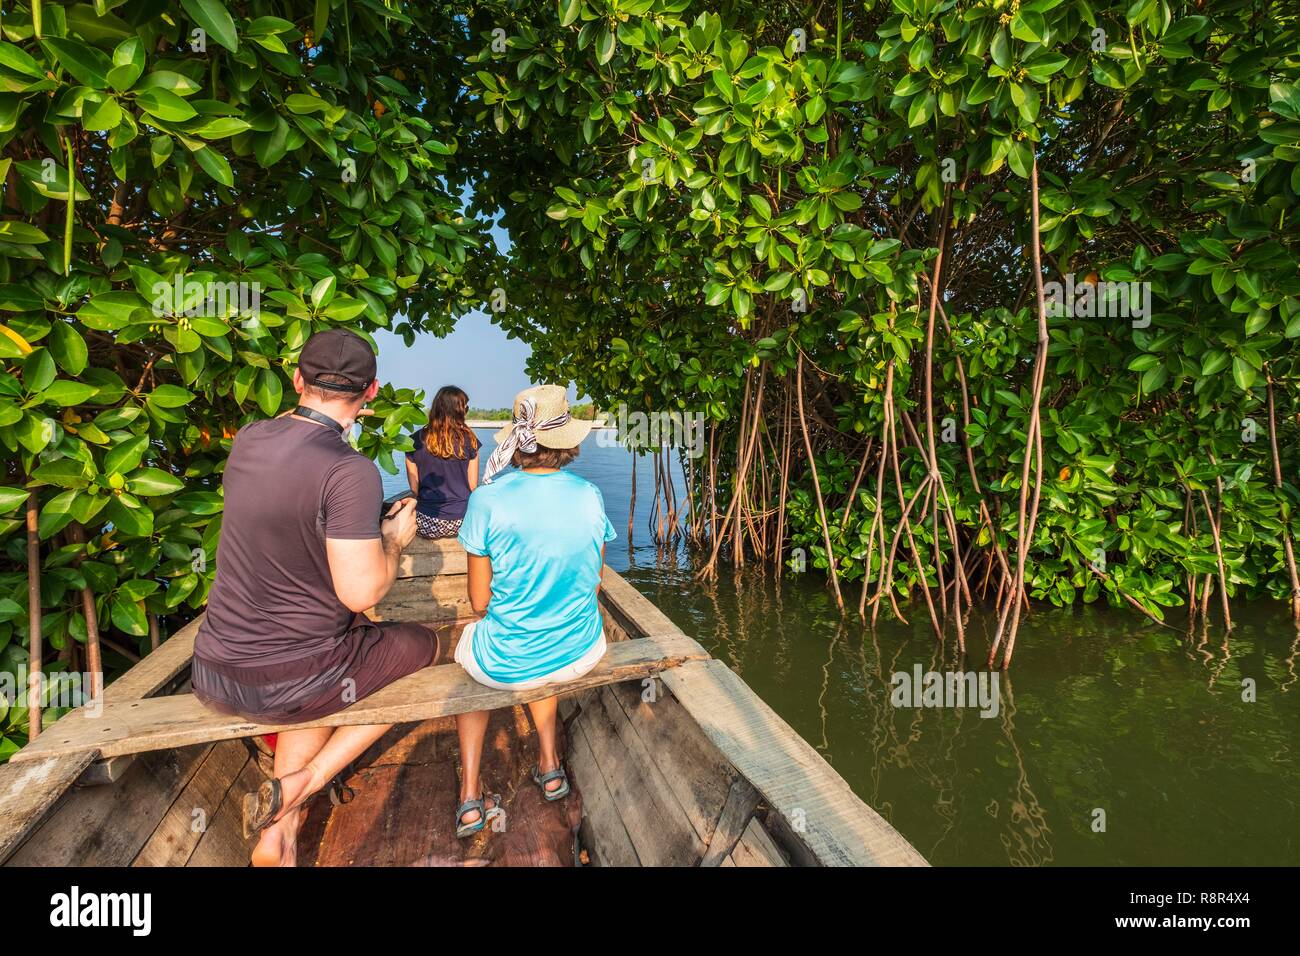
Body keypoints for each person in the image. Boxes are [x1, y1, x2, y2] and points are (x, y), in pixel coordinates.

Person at [191, 328, 436, 867]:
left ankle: (281, 832)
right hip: (293, 681)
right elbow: (360, 592)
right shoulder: (350, 471)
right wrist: (392, 541)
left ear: (297, 379)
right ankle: (306, 782)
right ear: (371, 392)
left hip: (214, 672)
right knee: (426, 647)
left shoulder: (249, 439)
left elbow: (286, 528)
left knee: (325, 660)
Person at [451, 384, 615, 838]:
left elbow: (480, 602)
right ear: (568, 442)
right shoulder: (590, 495)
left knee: (467, 653)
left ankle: (469, 795)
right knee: (542, 638)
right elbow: (595, 580)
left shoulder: (486, 500)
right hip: (581, 650)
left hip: (510, 660)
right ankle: (550, 764)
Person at [405, 385, 480, 538]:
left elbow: (415, 489)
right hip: (462, 522)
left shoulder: (413, 441)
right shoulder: (470, 440)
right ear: (458, 412)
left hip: (427, 522)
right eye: (465, 409)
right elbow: (473, 487)